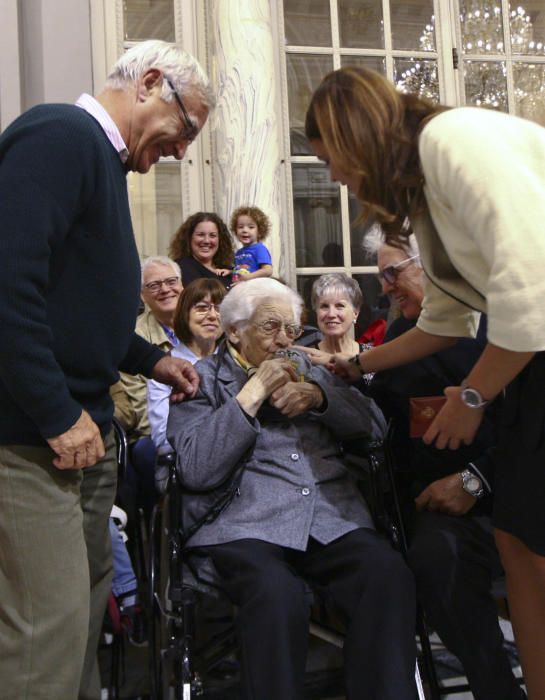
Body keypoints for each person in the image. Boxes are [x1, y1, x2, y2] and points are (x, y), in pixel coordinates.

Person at [305, 65, 545, 698]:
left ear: (355, 136)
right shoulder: (423, 195)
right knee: (517, 541)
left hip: (532, 348)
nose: (334, 176)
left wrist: (472, 396)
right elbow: (448, 319)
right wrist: (354, 364)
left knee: (535, 548)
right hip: (529, 361)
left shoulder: (452, 140)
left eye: (332, 157)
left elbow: (530, 294)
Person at [0, 39, 214, 700]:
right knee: (48, 634)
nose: (182, 150)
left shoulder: (99, 162)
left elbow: (77, 315)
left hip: (78, 441)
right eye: (187, 128)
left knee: (83, 626)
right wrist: (58, 413)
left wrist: (151, 358)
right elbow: (8, 287)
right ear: (150, 82)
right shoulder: (59, 137)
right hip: (32, 439)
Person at [167, 278, 417, 700]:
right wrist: (251, 394)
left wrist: (321, 397)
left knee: (387, 574)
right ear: (234, 331)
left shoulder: (311, 368)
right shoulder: (201, 381)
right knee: (275, 593)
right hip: (244, 523)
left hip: (329, 516)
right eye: (270, 327)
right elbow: (194, 469)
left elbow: (375, 429)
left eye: (292, 328)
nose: (284, 339)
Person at [365, 232, 524, 700]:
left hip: (520, 490)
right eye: (381, 277)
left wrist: (476, 480)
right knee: (436, 557)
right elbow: (383, 424)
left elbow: (533, 429)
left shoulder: (507, 328)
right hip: (449, 515)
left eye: (395, 272)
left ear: (438, 263)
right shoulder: (398, 338)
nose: (387, 287)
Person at [112, 255, 183, 514]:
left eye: (171, 281)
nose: (165, 289)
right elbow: (142, 414)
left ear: (182, 285)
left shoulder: (205, 323)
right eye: (154, 285)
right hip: (156, 434)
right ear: (142, 296)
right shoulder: (132, 340)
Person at [148, 277, 226, 456]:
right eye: (202, 308)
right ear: (185, 314)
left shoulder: (233, 362)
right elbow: (162, 437)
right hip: (185, 459)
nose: (213, 315)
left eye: (220, 309)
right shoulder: (166, 366)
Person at [297, 272, 372, 371]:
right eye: (324, 306)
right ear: (316, 312)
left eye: (340, 306)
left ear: (355, 313)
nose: (331, 314)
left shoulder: (370, 355)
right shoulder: (305, 359)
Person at [169, 211, 234, 288]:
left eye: (212, 235)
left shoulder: (229, 270)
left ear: (220, 239)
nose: (206, 241)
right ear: (189, 238)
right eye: (200, 235)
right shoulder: (180, 268)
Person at [230, 205, 273, 282]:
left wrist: (249, 277)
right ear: (235, 232)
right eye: (240, 227)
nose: (245, 230)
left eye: (251, 227)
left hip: (255, 289)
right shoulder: (238, 252)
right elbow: (240, 270)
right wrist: (229, 272)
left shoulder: (259, 249)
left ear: (260, 232)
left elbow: (268, 270)